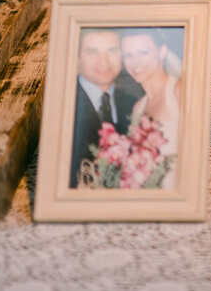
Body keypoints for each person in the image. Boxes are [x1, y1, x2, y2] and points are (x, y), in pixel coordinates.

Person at [70, 29, 143, 188]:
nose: (103, 62)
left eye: (112, 51)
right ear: (77, 58)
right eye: (92, 52)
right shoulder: (66, 103)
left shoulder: (135, 101)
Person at [120, 28, 183, 186]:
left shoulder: (179, 92)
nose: (136, 63)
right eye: (128, 55)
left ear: (162, 52)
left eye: (143, 52)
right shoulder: (138, 108)